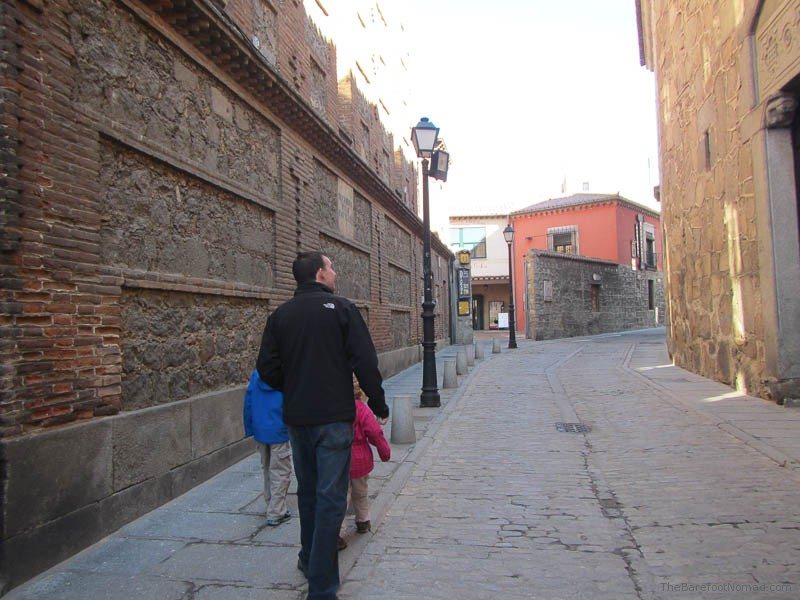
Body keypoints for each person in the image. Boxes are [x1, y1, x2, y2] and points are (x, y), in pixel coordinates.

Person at [256, 251, 389, 600]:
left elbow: (267, 368)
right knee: (331, 498)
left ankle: (307, 556)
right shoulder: (343, 310)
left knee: (310, 492)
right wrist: (377, 403)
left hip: (299, 419)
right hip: (334, 419)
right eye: (331, 267)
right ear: (319, 274)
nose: (335, 271)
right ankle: (322, 586)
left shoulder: (280, 317)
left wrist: (296, 386)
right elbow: (365, 360)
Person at [242, 370, 293, 526]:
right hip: (278, 430)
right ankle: (276, 511)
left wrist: (250, 427)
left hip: (260, 430)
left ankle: (271, 502)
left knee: (267, 468)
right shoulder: (284, 376)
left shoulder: (256, 376)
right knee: (280, 470)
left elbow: (248, 403)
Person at [344, 379, 391, 536]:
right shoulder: (362, 409)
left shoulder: (334, 407)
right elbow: (375, 432)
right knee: (361, 493)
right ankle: (363, 520)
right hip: (360, 461)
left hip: (339, 459)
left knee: (340, 497)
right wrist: (384, 452)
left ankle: (336, 531)